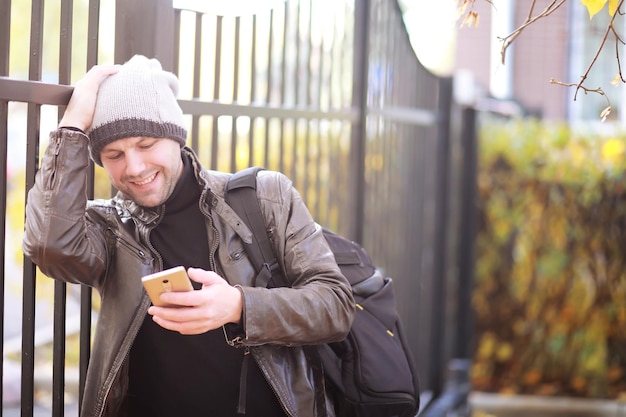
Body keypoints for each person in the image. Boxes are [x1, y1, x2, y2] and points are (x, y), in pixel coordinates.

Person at [23, 55, 355, 417]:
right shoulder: (109, 226)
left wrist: (239, 307)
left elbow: (335, 306)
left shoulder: (264, 196)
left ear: (175, 136)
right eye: (114, 154)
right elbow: (47, 245)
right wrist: (72, 128)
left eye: (146, 144)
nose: (134, 167)